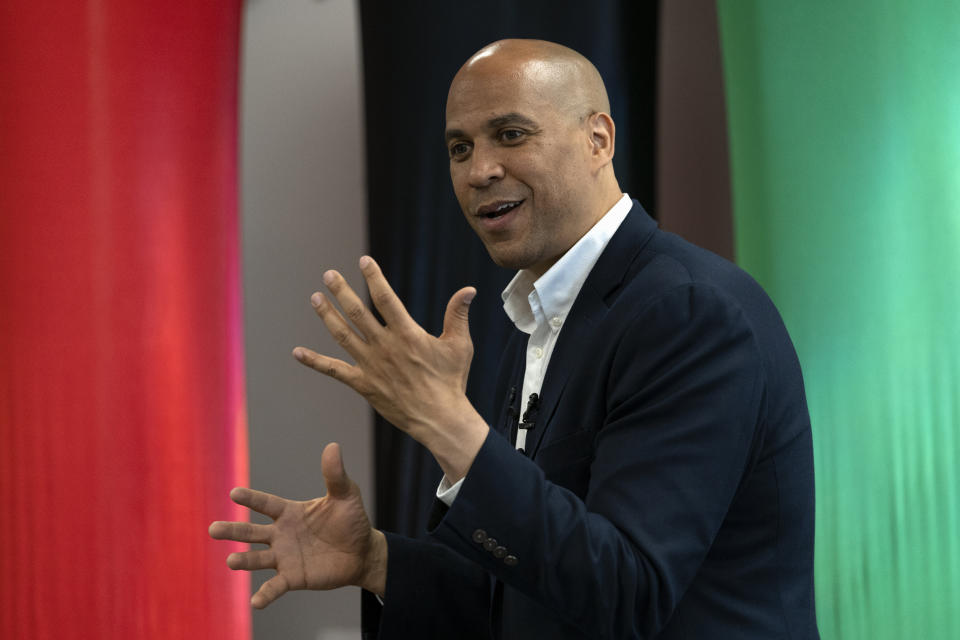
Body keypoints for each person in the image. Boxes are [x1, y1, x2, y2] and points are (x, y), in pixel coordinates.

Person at [210, 39, 819, 639]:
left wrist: (451, 429)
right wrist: (375, 562)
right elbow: (529, 596)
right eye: (459, 147)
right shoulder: (543, 315)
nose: (479, 171)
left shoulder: (689, 312)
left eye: (511, 134)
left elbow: (628, 594)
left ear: (598, 140)